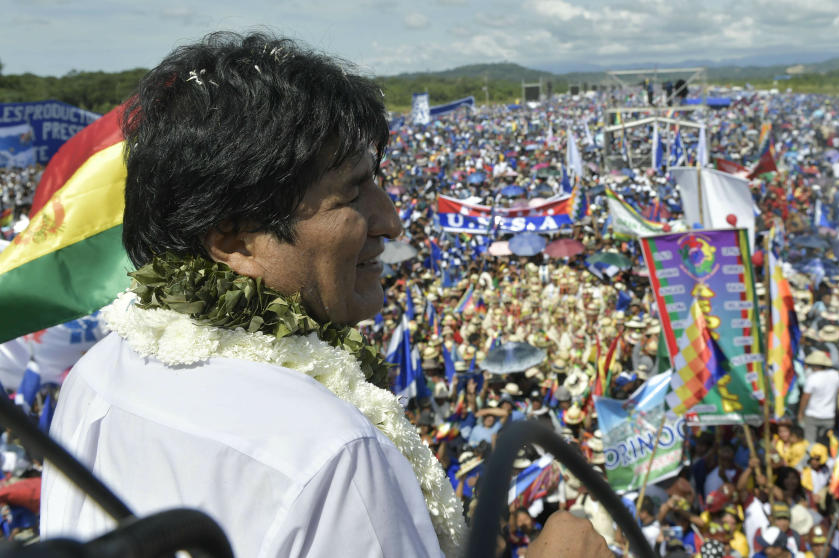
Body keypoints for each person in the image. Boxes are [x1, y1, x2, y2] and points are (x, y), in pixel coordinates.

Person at [39, 32, 611, 558]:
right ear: (232, 237)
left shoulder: (95, 375)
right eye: (352, 194)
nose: (389, 222)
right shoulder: (335, 452)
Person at [797, 351, 839, 444]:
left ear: (814, 365)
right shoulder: (835, 375)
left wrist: (800, 413)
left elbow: (805, 397)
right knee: (828, 443)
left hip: (812, 415)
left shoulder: (812, 378)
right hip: (829, 415)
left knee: (810, 444)